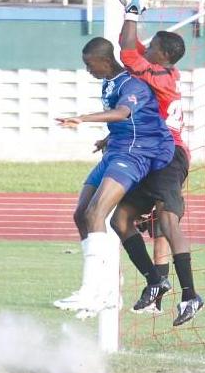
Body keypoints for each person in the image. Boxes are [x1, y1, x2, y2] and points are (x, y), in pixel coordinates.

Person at [52, 36, 175, 318]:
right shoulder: (109, 82)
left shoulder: (133, 84)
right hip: (116, 151)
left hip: (134, 154)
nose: (88, 70)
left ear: (106, 61)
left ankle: (93, 291)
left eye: (89, 64)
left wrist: (82, 118)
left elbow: (122, 113)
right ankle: (107, 289)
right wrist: (107, 139)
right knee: (81, 213)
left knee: (97, 213)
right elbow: (132, 119)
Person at [109, 0, 204, 326]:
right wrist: (135, 9)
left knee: (166, 222)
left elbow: (126, 49)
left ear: (161, 55)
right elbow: (133, 44)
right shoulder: (164, 70)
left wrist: (132, 10)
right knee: (120, 219)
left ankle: (190, 295)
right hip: (151, 153)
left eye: (152, 47)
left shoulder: (158, 75)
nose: (145, 48)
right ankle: (155, 281)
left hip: (170, 154)